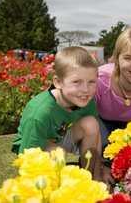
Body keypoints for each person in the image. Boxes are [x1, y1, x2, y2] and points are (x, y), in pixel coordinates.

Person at [12, 46, 103, 180]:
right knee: (56, 153)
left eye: (91, 82)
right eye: (77, 82)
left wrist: (98, 174)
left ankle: (87, 177)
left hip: (62, 137)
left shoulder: (86, 101)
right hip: (37, 146)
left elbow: (97, 138)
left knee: (91, 124)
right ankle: (53, 184)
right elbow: (26, 157)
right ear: (58, 82)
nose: (85, 89)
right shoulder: (40, 112)